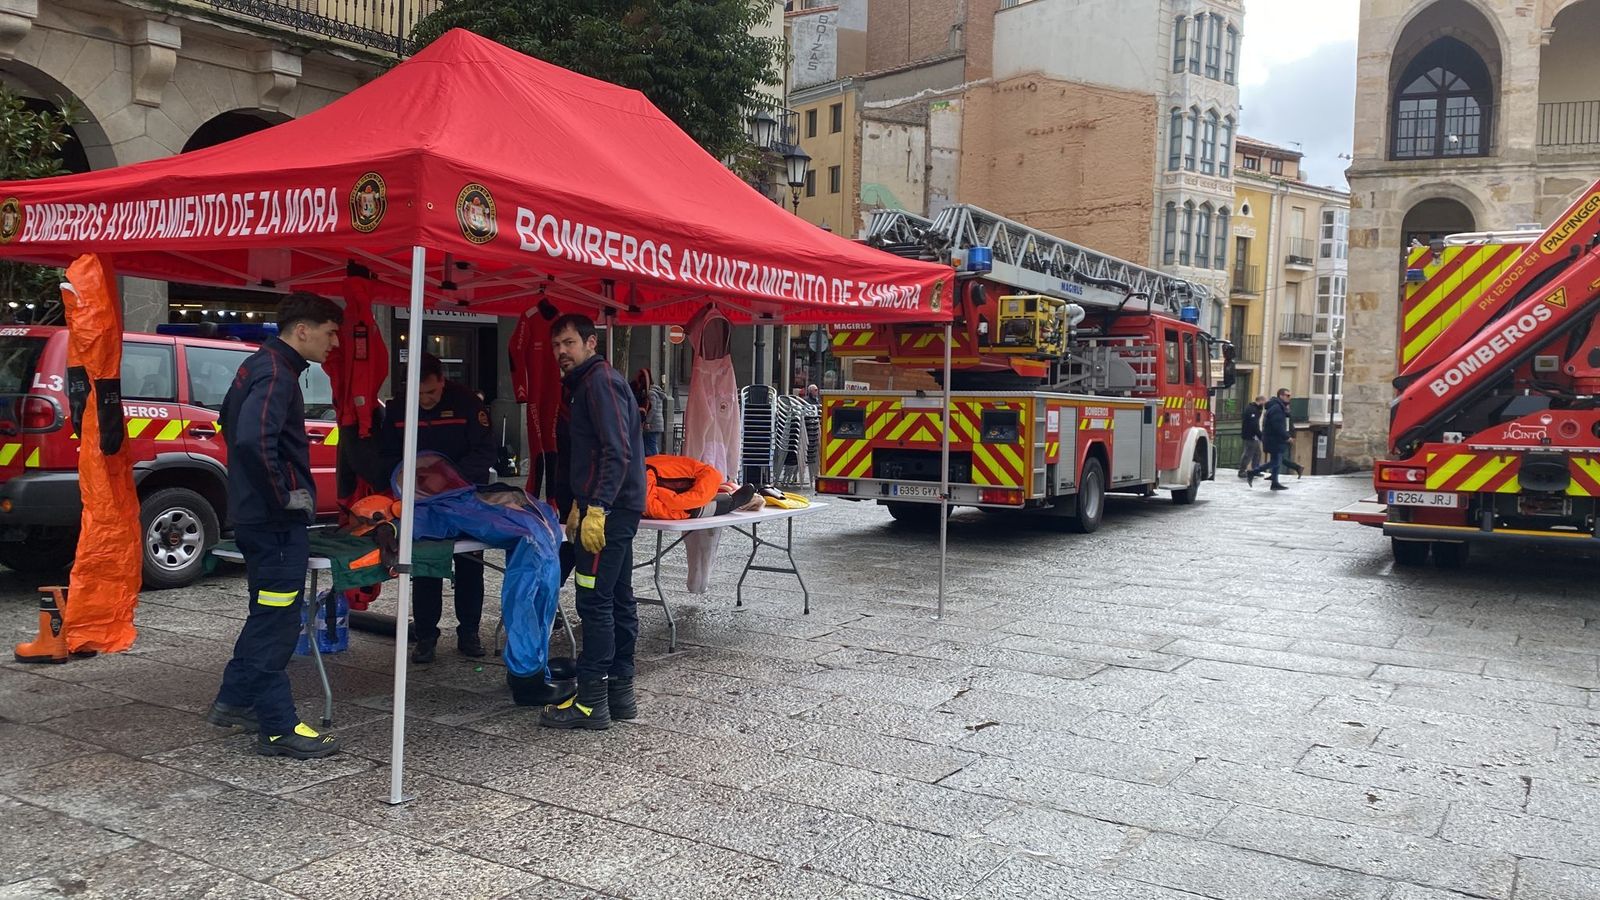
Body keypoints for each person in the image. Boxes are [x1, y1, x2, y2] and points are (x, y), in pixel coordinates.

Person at [207, 293, 343, 760]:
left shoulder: (257, 365)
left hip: (257, 518)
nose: (335, 342)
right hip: (275, 524)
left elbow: (230, 421)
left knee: (266, 613)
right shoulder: (276, 372)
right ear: (302, 330)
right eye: (330, 332)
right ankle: (277, 726)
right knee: (278, 620)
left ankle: (235, 700)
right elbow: (249, 438)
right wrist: (282, 496)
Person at [541, 314, 647, 731]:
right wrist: (578, 504)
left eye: (568, 343)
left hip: (609, 512)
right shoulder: (590, 383)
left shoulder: (598, 382)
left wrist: (597, 506)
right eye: (555, 346)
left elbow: (615, 450)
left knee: (594, 602)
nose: (561, 352)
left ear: (590, 343)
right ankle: (620, 694)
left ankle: (590, 702)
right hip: (610, 508)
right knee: (618, 598)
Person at [381, 352, 497, 663]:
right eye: (418, 394)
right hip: (421, 501)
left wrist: (452, 481)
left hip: (464, 497)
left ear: (442, 382)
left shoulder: (467, 403)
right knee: (425, 565)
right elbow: (389, 454)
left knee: (471, 564)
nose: (425, 400)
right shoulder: (398, 407)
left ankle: (469, 631)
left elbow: (485, 452)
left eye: (431, 392)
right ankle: (426, 635)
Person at [1247, 388, 1293, 491]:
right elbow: (1277, 425)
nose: (1289, 398)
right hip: (1274, 439)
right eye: (1287, 395)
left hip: (1273, 438)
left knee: (1275, 461)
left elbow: (1284, 419)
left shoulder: (1278, 407)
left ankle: (1275, 483)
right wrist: (1287, 437)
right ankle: (1252, 472)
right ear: (1281, 396)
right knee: (1276, 462)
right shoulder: (1277, 408)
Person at [635, 368, 663, 456]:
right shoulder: (654, 391)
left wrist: (647, 421)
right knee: (651, 443)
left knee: (651, 444)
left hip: (653, 424)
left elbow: (653, 408)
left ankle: (656, 462)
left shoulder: (651, 393)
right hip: (656, 423)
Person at [1238, 395, 1265, 478]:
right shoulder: (1252, 410)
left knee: (1257, 453)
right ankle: (1242, 471)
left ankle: (1255, 470)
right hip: (1250, 435)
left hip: (1253, 435)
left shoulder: (1255, 409)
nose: (1264, 404)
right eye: (1264, 402)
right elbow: (1254, 425)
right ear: (1260, 401)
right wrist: (1260, 435)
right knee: (1248, 453)